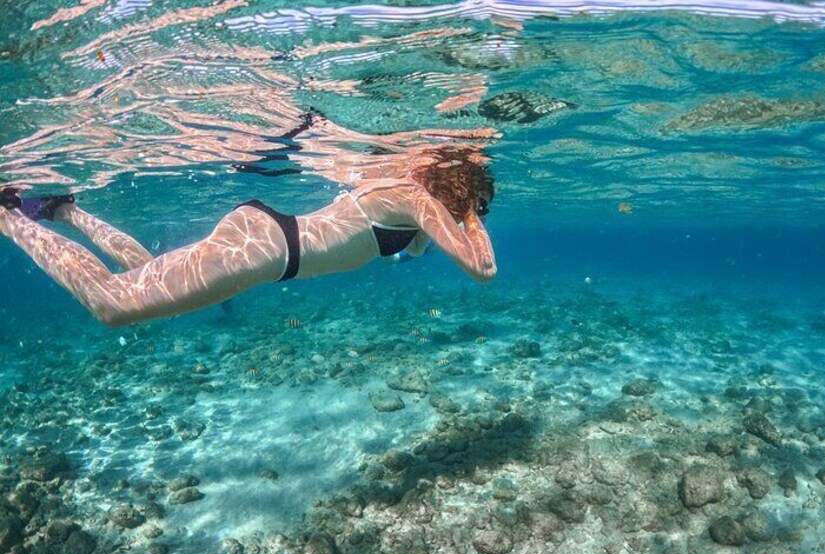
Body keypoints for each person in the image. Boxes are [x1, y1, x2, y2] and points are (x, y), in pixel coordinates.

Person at [0, 116, 497, 327]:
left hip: (269, 240)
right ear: (459, 192)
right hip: (267, 250)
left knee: (140, 276)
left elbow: (410, 252)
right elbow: (483, 271)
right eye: (474, 203)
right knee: (113, 306)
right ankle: (9, 216)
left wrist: (433, 234)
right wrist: (470, 217)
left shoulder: (410, 209)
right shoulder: (414, 197)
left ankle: (65, 209)